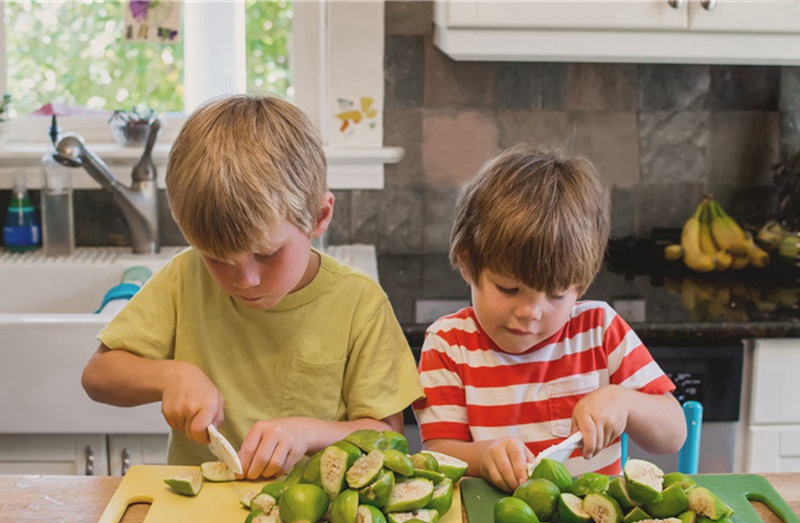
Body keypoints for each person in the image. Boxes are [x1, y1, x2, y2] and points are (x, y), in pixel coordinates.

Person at [82, 94, 423, 480]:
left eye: (267, 254)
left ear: (319, 217)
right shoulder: (184, 277)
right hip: (199, 512)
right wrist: (169, 376)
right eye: (217, 259)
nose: (244, 281)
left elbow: (388, 436)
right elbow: (98, 376)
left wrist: (309, 432)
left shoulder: (360, 303)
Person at [413, 144, 686, 493]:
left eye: (557, 295)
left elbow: (673, 434)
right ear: (468, 265)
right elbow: (438, 454)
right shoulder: (448, 344)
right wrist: (485, 456)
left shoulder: (599, 329)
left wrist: (624, 401)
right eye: (509, 288)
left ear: (581, 285)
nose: (530, 311)